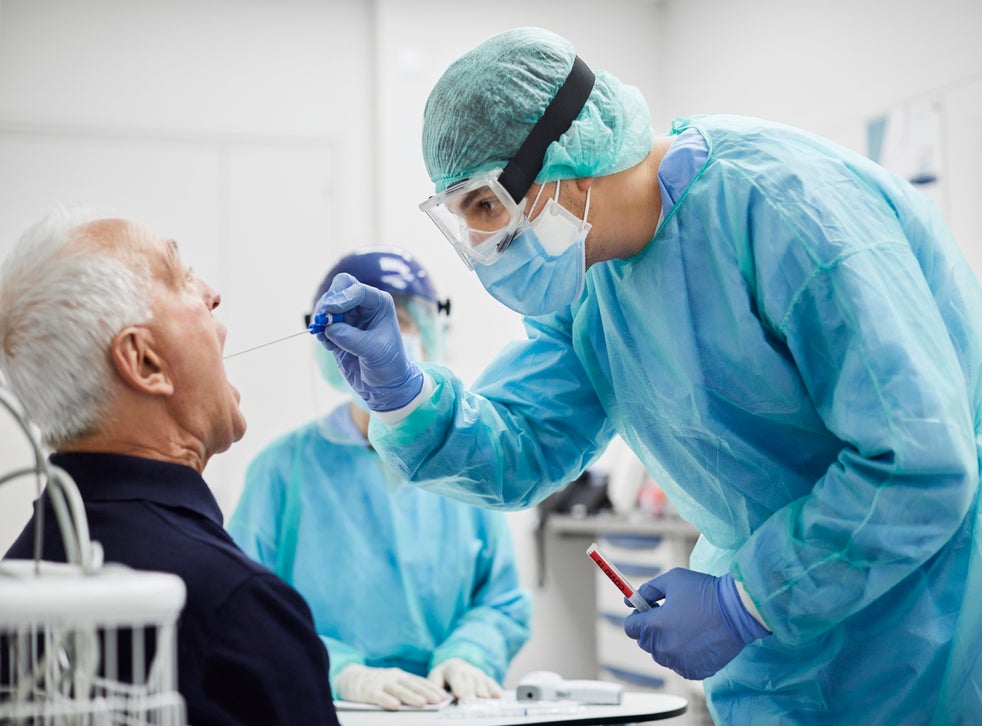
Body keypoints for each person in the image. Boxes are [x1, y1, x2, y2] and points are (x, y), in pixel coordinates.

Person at [310, 26, 982, 725]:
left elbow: (918, 463)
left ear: (565, 158)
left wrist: (743, 601)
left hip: (920, 624)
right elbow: (524, 447)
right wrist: (403, 397)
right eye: (464, 221)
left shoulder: (784, 208)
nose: (482, 248)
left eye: (485, 207)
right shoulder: (588, 285)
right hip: (779, 657)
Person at [0, 208, 341, 726]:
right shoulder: (238, 609)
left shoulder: (22, 584)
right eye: (180, 276)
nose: (211, 292)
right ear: (144, 362)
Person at [228, 247, 532, 711]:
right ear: (331, 344)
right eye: (365, 325)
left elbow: (501, 598)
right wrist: (338, 670)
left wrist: (471, 652)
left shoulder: (464, 459)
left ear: (433, 331)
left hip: (444, 705)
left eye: (404, 323)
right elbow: (247, 610)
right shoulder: (282, 470)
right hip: (325, 706)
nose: (387, 341)